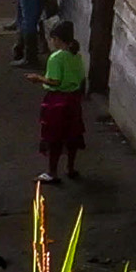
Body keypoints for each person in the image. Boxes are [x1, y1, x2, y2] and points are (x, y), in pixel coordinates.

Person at [36, 16, 88, 184]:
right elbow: (81, 78)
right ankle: (70, 168)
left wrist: (38, 78)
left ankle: (52, 172)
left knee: (54, 137)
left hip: (57, 101)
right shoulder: (76, 57)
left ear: (57, 39)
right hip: (73, 101)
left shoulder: (56, 58)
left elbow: (55, 81)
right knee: (72, 135)